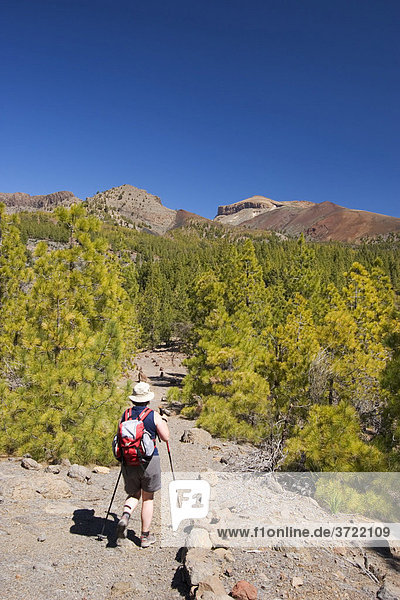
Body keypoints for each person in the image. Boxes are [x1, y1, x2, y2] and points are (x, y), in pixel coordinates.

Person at [116, 381, 169, 548]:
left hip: (129, 461)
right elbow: (166, 437)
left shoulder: (126, 414)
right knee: (148, 498)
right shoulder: (153, 415)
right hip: (149, 460)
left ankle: (125, 515)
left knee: (133, 494)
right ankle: (144, 536)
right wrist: (164, 420)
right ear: (148, 399)